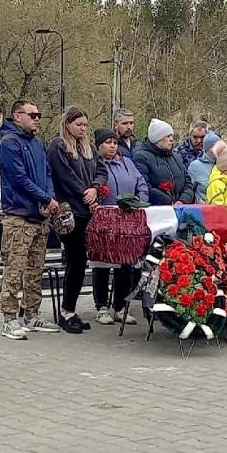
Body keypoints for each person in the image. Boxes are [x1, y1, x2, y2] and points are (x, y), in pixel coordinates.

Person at [0, 99, 60, 340]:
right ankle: (9, 318)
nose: (37, 119)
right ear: (17, 116)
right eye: (32, 115)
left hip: (39, 217)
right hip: (19, 216)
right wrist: (44, 197)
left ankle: (31, 314)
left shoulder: (38, 144)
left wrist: (50, 197)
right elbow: (18, 179)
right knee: (15, 269)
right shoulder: (9, 143)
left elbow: (47, 174)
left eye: (39, 115)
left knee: (35, 270)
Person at [91, 126, 148, 325]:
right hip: (105, 218)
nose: (112, 146)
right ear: (99, 146)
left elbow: (141, 183)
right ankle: (102, 307)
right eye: (108, 142)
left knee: (125, 264)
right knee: (103, 264)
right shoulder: (95, 165)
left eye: (115, 142)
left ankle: (120, 306)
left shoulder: (127, 163)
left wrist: (140, 201)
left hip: (127, 219)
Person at [48, 106, 97, 334]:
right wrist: (84, 192)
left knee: (79, 261)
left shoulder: (88, 148)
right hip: (69, 211)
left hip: (87, 211)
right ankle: (66, 311)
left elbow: (101, 170)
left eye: (86, 125)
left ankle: (70, 309)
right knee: (76, 258)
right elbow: (65, 175)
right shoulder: (58, 146)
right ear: (67, 124)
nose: (83, 129)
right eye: (79, 125)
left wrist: (95, 188)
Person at [134, 118, 195, 205]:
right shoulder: (142, 157)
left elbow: (188, 183)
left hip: (180, 208)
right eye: (168, 136)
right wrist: (168, 201)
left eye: (172, 136)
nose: (171, 139)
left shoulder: (176, 157)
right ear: (157, 138)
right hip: (157, 210)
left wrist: (183, 200)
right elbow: (144, 186)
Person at [187, 131, 222, 204]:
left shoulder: (225, 164)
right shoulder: (195, 166)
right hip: (203, 211)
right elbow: (188, 191)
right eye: (215, 146)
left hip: (223, 209)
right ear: (207, 148)